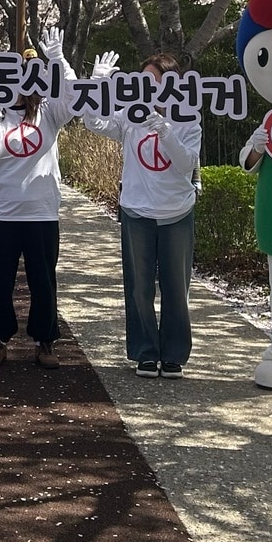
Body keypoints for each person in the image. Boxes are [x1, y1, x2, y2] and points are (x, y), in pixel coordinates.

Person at [84, 51, 202, 379]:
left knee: (176, 287)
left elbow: (186, 166)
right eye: (143, 81)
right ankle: (146, 352)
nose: (149, 88)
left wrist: (166, 131)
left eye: (156, 82)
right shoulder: (129, 115)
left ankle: (174, 354)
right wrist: (99, 82)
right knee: (139, 287)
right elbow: (93, 122)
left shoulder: (189, 119)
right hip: (136, 211)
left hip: (177, 212)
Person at [0, 28, 76, 369]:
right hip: (1, 212)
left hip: (41, 211)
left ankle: (45, 340)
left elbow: (71, 97)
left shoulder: (47, 112)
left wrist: (58, 60)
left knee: (43, 280)